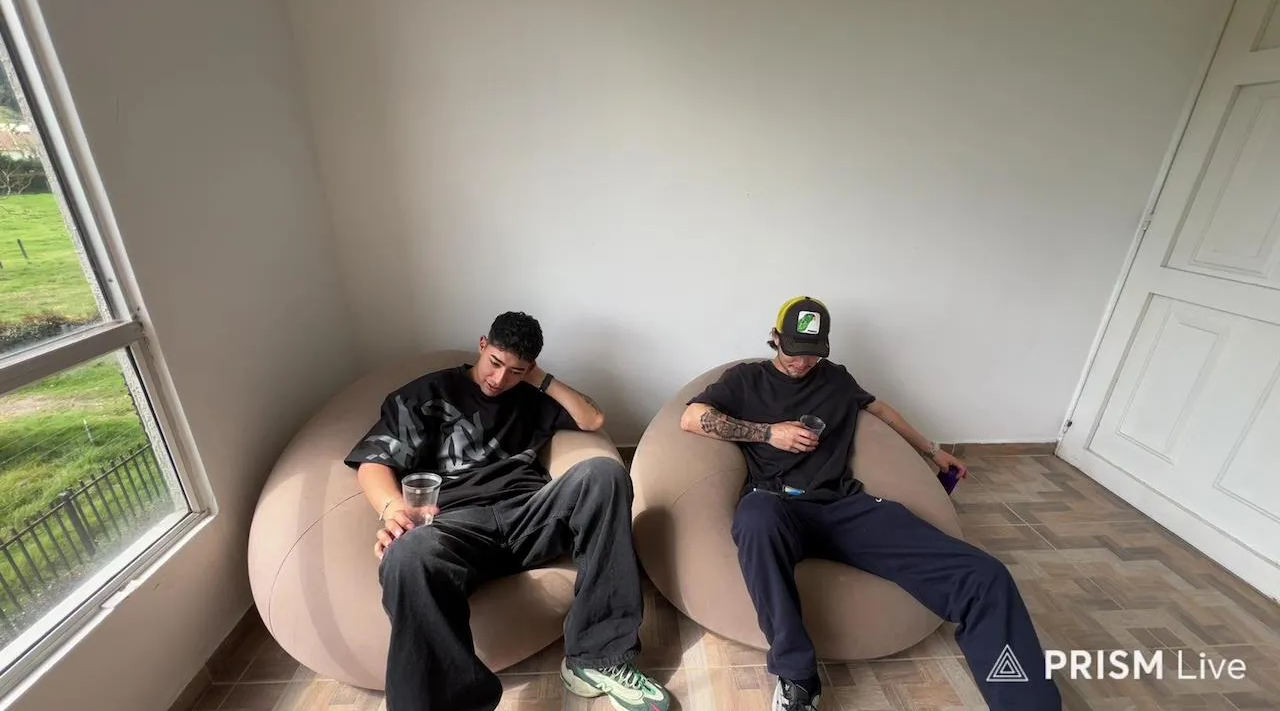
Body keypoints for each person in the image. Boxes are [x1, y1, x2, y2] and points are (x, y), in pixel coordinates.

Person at [680, 296, 1062, 711]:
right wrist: (770, 434)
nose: (802, 363)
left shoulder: (836, 379)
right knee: (754, 518)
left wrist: (933, 451)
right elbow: (691, 417)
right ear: (775, 338)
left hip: (844, 506)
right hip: (776, 504)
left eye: (813, 353)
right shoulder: (746, 379)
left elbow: (883, 411)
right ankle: (798, 676)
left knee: (986, 576)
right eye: (794, 351)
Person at [345, 311, 671, 711]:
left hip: (530, 515)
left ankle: (598, 659)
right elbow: (373, 462)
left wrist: (538, 379)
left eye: (515, 371)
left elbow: (593, 419)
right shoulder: (427, 394)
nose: (499, 380)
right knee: (405, 556)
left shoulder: (531, 397)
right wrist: (392, 507)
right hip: (456, 527)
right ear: (482, 345)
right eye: (495, 363)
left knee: (605, 474)